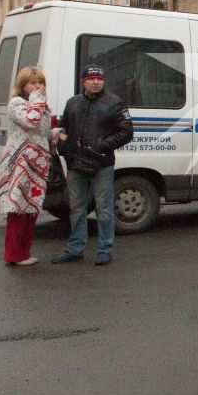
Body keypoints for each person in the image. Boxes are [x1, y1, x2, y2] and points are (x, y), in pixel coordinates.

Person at [51, 65, 133, 266]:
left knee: (104, 209)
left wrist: (101, 146)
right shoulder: (73, 103)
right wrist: (65, 147)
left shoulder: (115, 103)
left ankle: (105, 249)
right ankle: (75, 248)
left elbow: (127, 132)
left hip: (101, 164)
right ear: (83, 81)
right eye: (91, 78)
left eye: (99, 78)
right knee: (77, 208)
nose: (96, 82)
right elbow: (64, 129)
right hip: (76, 164)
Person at [0, 67, 53, 266]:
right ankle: (14, 254)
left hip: (37, 162)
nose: (38, 87)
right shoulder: (17, 103)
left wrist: (56, 132)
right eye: (33, 83)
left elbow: (42, 131)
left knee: (31, 208)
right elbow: (30, 122)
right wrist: (37, 102)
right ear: (22, 85)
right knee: (18, 208)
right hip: (20, 161)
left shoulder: (41, 107)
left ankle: (24, 252)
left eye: (41, 83)